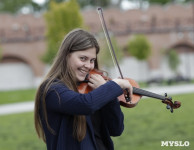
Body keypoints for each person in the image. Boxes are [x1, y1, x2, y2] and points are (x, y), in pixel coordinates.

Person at [34, 28, 133, 150]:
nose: (88, 66)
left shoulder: (95, 90)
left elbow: (116, 129)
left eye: (92, 60)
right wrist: (114, 86)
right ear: (66, 55)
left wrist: (110, 96)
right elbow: (85, 104)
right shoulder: (52, 90)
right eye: (83, 58)